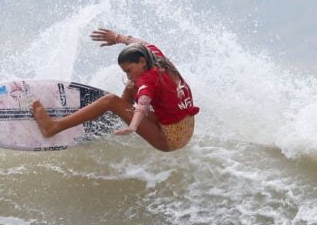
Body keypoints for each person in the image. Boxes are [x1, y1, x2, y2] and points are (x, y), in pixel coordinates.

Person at [31, 28, 199, 152]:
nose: (127, 74)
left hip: (170, 139)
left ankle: (53, 127)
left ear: (142, 61)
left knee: (110, 100)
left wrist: (133, 126)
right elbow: (143, 43)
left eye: (128, 70)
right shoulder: (156, 58)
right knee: (130, 85)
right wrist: (118, 38)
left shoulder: (146, 82)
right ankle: (119, 109)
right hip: (185, 126)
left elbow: (143, 103)